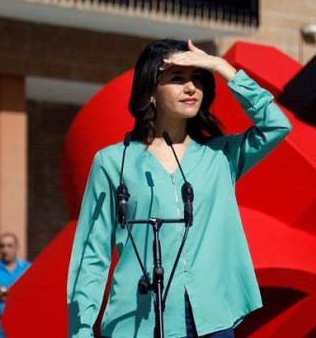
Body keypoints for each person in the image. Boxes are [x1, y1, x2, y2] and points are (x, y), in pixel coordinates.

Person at [66, 39, 292, 337]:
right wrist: (81, 331)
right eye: (177, 79)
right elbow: (91, 254)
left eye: (196, 78)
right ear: (150, 93)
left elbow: (276, 125)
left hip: (212, 321)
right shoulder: (112, 162)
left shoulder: (220, 157)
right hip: (135, 322)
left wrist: (222, 68)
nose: (191, 88)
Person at [0, 232, 31, 338]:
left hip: (22, 322)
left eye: (9, 246)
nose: (5, 250)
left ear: (17, 247)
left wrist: (3, 291)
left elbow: (31, 295)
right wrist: (17, 291)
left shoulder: (28, 268)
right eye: (2, 246)